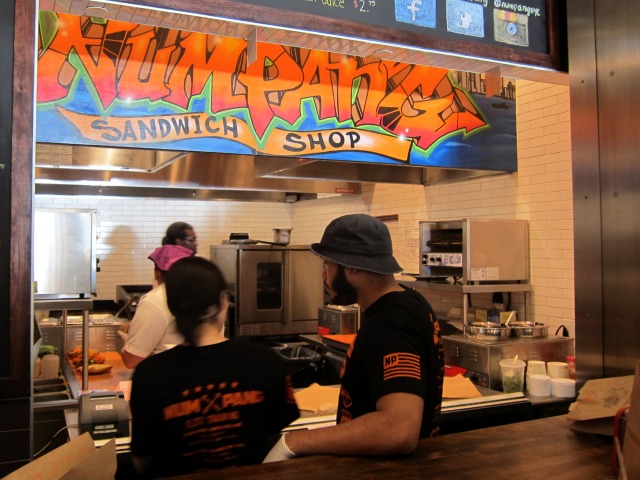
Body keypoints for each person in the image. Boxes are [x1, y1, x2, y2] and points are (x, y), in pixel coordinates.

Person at [264, 214, 444, 461]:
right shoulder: (409, 302)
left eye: (327, 264)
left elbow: (399, 428)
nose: (324, 275)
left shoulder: (392, 324)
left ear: (354, 265)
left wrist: (293, 441)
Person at [130, 256, 299, 477]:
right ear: (222, 301)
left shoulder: (149, 374)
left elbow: (141, 462)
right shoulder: (266, 362)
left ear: (173, 308)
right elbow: (274, 443)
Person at [119, 244, 194, 369]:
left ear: (156, 273)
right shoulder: (204, 294)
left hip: (167, 379)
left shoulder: (154, 300)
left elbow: (132, 360)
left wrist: (127, 341)